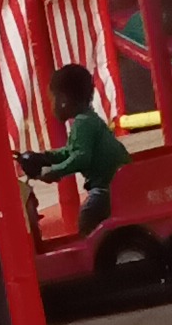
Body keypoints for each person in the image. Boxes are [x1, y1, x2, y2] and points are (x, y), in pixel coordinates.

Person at [18, 63, 128, 236]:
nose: (52, 104)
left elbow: (80, 158)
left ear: (63, 100)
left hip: (110, 186)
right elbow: (72, 151)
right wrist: (47, 157)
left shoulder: (83, 123)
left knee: (89, 216)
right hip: (117, 182)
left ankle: (95, 248)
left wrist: (54, 170)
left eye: (53, 99)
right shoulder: (87, 119)